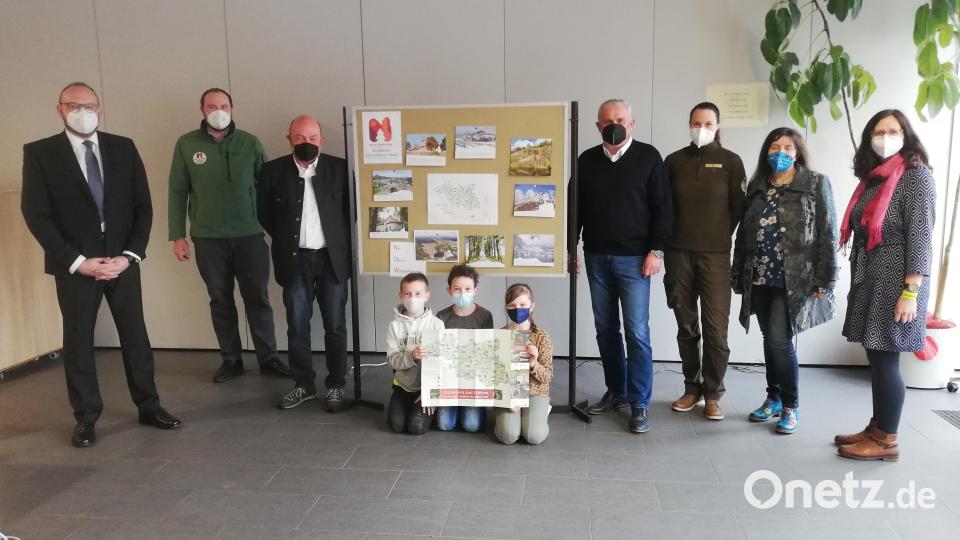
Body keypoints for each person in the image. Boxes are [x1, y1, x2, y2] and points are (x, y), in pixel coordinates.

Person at [21, 82, 181, 448]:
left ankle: (149, 406)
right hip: (76, 266)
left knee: (136, 336)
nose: (83, 111)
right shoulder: (41, 153)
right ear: (59, 109)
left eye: (90, 105)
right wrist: (78, 262)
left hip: (122, 262)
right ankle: (86, 417)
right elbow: (37, 214)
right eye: (74, 105)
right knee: (78, 341)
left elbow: (143, 207)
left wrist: (129, 257)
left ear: (100, 108)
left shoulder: (122, 147)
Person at [168, 88, 290, 383]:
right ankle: (231, 359)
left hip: (249, 235)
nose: (218, 111)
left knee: (257, 298)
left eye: (223, 105)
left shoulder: (250, 143)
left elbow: (268, 188)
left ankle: (268, 357)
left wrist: (277, 228)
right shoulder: (186, 145)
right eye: (212, 106)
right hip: (208, 238)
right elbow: (177, 190)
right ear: (202, 110)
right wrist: (177, 235)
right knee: (220, 299)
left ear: (232, 108)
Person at [836, 110, 936, 461]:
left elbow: (921, 236)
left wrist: (911, 291)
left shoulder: (915, 176)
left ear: (906, 135)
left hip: (898, 280)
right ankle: (876, 427)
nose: (886, 137)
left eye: (894, 131)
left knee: (886, 358)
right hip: (872, 275)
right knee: (875, 356)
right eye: (879, 131)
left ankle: (886, 440)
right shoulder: (874, 178)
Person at [732, 127, 839, 435]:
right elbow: (744, 234)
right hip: (759, 275)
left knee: (780, 340)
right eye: (775, 147)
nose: (781, 152)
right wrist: (738, 273)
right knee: (770, 339)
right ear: (766, 151)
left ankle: (791, 405)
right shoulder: (756, 186)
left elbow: (828, 233)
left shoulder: (816, 183)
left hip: (793, 278)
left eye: (788, 147)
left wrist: (826, 279)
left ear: (798, 152)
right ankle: (773, 397)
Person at [575, 98, 672, 433]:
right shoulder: (586, 160)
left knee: (637, 332)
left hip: (635, 259)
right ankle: (617, 391)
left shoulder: (648, 157)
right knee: (606, 331)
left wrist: (656, 252)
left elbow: (662, 207)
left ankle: (640, 402)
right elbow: (577, 208)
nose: (613, 124)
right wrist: (570, 248)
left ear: (631, 123)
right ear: (598, 126)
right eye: (606, 120)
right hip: (596, 256)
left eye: (620, 119)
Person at [257, 115, 352, 411]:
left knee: (335, 325)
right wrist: (289, 240)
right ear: (290, 139)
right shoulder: (272, 171)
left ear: (321, 140)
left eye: (312, 138)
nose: (306, 143)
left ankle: (336, 385)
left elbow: (352, 214)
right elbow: (264, 215)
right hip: (294, 259)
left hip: (331, 260)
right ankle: (304, 385)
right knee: (298, 326)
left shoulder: (339, 169)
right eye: (300, 138)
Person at [663, 102, 746, 421]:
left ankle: (713, 393)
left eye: (708, 123)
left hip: (715, 257)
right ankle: (691, 388)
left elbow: (738, 209)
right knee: (686, 326)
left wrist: (716, 236)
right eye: (696, 122)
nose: (701, 128)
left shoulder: (730, 162)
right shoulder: (674, 161)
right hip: (677, 254)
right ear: (689, 124)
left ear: (718, 125)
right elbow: (663, 205)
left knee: (716, 330)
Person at [435, 264, 494, 432]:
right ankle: (455, 405)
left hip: (473, 379)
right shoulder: (441, 316)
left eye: (467, 288)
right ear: (449, 291)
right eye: (457, 289)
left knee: (471, 426)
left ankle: (474, 407)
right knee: (444, 424)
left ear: (475, 290)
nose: (462, 293)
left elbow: (487, 352)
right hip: (450, 379)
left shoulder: (485, 316)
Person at [493, 283, 554, 445]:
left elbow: (547, 376)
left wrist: (534, 364)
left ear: (531, 306)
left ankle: (542, 411)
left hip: (535, 392)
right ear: (506, 307)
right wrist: (507, 398)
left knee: (534, 436)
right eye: (512, 305)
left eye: (522, 305)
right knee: (508, 436)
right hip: (509, 391)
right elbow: (494, 374)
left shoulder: (542, 337)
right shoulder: (500, 335)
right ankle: (509, 418)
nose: (517, 309)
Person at [386, 273, 445, 434]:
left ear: (427, 295)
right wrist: (411, 356)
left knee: (416, 428)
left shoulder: (437, 325)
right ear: (400, 296)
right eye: (407, 294)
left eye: (418, 294)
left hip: (425, 388)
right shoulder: (394, 326)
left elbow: (442, 364)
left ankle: (432, 408)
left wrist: (430, 393)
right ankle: (402, 405)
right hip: (402, 386)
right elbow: (391, 360)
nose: (413, 298)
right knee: (396, 426)